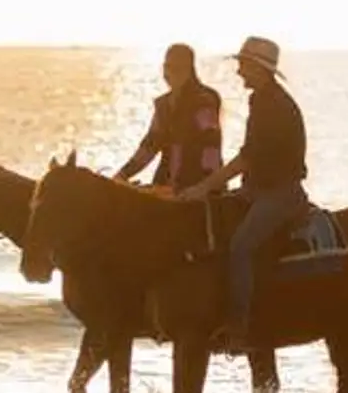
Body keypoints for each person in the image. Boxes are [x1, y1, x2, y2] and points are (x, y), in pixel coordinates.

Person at [180, 36, 309, 352]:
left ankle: (239, 327)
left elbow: (248, 157)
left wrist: (204, 187)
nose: (239, 72)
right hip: (256, 190)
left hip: (280, 194)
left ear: (258, 68)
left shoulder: (274, 106)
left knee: (241, 247)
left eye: (243, 65)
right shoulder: (262, 100)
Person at [112, 43, 223, 194]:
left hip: (194, 188)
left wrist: (206, 186)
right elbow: (150, 145)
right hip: (165, 184)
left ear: (189, 69)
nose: (169, 73)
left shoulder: (204, 102)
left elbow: (211, 146)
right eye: (167, 66)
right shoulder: (164, 105)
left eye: (176, 67)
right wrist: (122, 175)